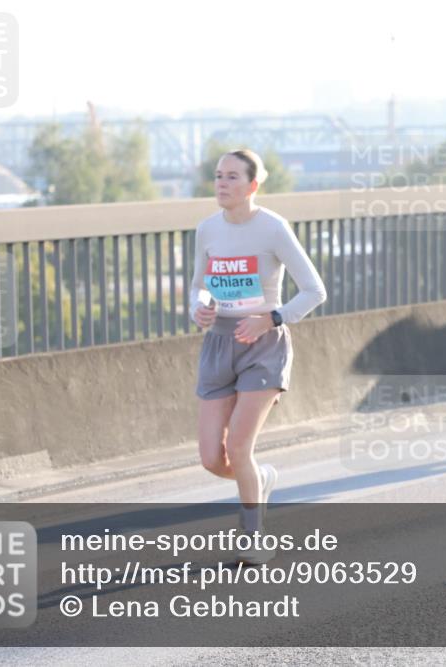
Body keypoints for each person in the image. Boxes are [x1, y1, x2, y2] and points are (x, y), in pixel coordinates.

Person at [189, 149, 326, 563]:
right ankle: (260, 478)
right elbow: (198, 285)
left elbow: (314, 291)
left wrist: (273, 318)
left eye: (232, 177)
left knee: (241, 448)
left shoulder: (273, 228)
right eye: (218, 176)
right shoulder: (207, 229)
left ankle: (254, 535)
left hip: (263, 347)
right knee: (214, 458)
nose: (222, 184)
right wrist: (199, 307)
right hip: (219, 343)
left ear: (253, 185)